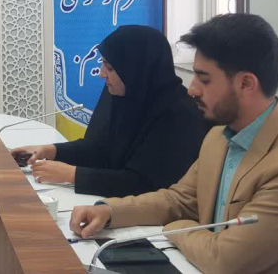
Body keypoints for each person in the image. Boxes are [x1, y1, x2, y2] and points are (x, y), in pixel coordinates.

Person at [70, 14, 278, 274]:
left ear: (246, 83)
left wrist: (176, 228)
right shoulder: (219, 137)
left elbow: (226, 260)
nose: (192, 89)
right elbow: (179, 200)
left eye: (204, 79)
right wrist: (109, 211)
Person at [13, 25, 209, 197]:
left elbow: (147, 184)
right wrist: (49, 150)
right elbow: (99, 149)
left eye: (110, 68)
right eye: (103, 64)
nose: (101, 74)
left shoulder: (178, 114)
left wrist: (72, 175)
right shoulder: (124, 94)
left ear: (135, 70)